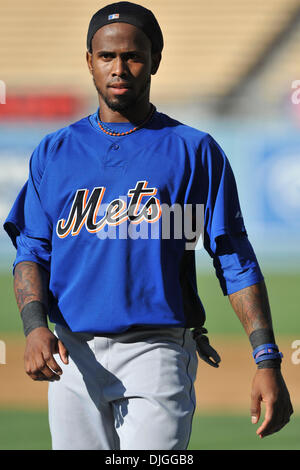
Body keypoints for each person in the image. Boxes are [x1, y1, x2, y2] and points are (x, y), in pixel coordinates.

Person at [4, 1, 293, 450]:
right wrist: (34, 325)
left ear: (155, 59)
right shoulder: (55, 151)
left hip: (157, 351)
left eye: (132, 55)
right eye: (106, 56)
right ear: (89, 61)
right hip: (71, 356)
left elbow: (233, 258)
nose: (118, 68)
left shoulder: (194, 151)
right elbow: (32, 251)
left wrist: (266, 358)